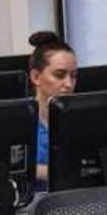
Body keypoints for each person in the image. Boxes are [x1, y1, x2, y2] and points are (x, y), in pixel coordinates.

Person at [27, 31, 78, 191]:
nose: (68, 84)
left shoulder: (80, 120)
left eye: (73, 76)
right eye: (59, 75)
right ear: (36, 77)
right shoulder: (22, 123)